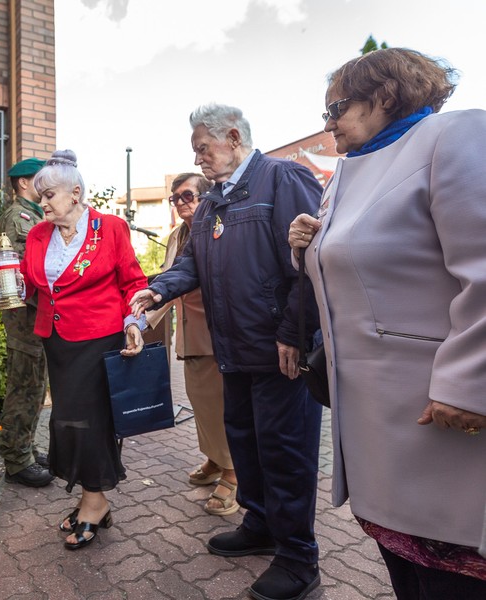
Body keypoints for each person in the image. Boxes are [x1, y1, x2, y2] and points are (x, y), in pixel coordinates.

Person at [289, 48, 486, 599]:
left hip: (437, 411)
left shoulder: (455, 136)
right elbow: (360, 273)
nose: (328, 125)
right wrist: (306, 248)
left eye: (337, 108)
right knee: (408, 570)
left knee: (450, 569)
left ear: (384, 95)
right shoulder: (349, 172)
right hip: (379, 420)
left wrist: (469, 385)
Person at [131, 104, 323, 600]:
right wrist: (160, 288)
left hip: (280, 351)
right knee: (246, 442)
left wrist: (293, 333)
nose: (199, 157)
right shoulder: (215, 200)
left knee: (285, 453)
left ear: (233, 137)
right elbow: (193, 262)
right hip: (233, 351)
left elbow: (311, 265)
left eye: (202, 147)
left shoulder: (284, 178)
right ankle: (258, 525)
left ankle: (299, 560)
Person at [0, 149, 147, 550]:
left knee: (90, 421)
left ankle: (94, 502)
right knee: (67, 420)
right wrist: (12, 285)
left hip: (99, 339)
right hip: (56, 340)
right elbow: (35, 284)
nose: (42, 201)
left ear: (76, 193)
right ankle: (91, 499)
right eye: (41, 195)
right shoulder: (37, 234)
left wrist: (135, 322)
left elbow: (133, 282)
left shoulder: (111, 228)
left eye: (49, 195)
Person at [146, 172, 238, 516]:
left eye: (188, 196)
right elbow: (170, 281)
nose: (181, 203)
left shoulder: (218, 228)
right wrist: (143, 321)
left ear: (205, 197)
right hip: (188, 334)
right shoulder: (177, 235)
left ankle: (233, 473)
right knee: (201, 405)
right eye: (175, 198)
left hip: (216, 334)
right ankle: (215, 460)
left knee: (220, 407)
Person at [0, 157, 53, 488]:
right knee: (24, 385)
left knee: (35, 384)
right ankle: (17, 461)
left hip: (36, 313)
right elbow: (19, 273)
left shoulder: (34, 215)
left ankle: (26, 447)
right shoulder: (18, 218)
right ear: (23, 183)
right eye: (39, 180)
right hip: (25, 315)